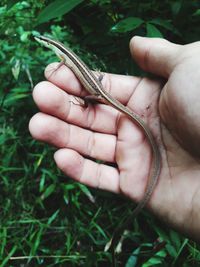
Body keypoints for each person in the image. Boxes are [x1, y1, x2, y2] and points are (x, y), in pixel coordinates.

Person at [29, 36, 200, 242]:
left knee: (86, 99)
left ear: (49, 44)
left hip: (97, 93)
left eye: (42, 40)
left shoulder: (63, 55)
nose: (41, 41)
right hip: (99, 88)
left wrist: (85, 99)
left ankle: (83, 104)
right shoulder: (65, 53)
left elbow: (66, 62)